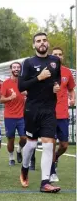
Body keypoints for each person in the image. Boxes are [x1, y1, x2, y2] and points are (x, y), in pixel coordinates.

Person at [18, 32, 61, 193]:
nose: (42, 43)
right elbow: (21, 87)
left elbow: (57, 79)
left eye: (44, 40)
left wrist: (56, 87)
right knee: (31, 144)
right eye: (38, 41)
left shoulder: (55, 60)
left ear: (48, 43)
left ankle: (45, 182)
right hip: (32, 109)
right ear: (33, 45)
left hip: (49, 109)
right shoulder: (28, 63)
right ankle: (24, 168)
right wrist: (39, 78)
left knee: (49, 144)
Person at [50, 47, 75, 182]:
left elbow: (71, 89)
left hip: (63, 115)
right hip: (49, 114)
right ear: (51, 56)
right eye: (55, 54)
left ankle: (55, 158)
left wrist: (73, 99)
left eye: (60, 54)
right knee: (51, 143)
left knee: (64, 145)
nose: (58, 56)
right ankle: (52, 171)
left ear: (63, 57)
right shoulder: (46, 71)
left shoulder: (67, 72)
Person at [0, 62, 27, 166]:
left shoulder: (24, 83)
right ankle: (11, 157)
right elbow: (1, 99)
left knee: (24, 138)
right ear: (10, 69)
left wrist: (27, 94)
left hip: (22, 116)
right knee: (10, 140)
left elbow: (31, 94)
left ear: (20, 69)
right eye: (14, 67)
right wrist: (10, 98)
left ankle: (19, 150)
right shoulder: (6, 83)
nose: (16, 69)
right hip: (9, 117)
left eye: (18, 67)